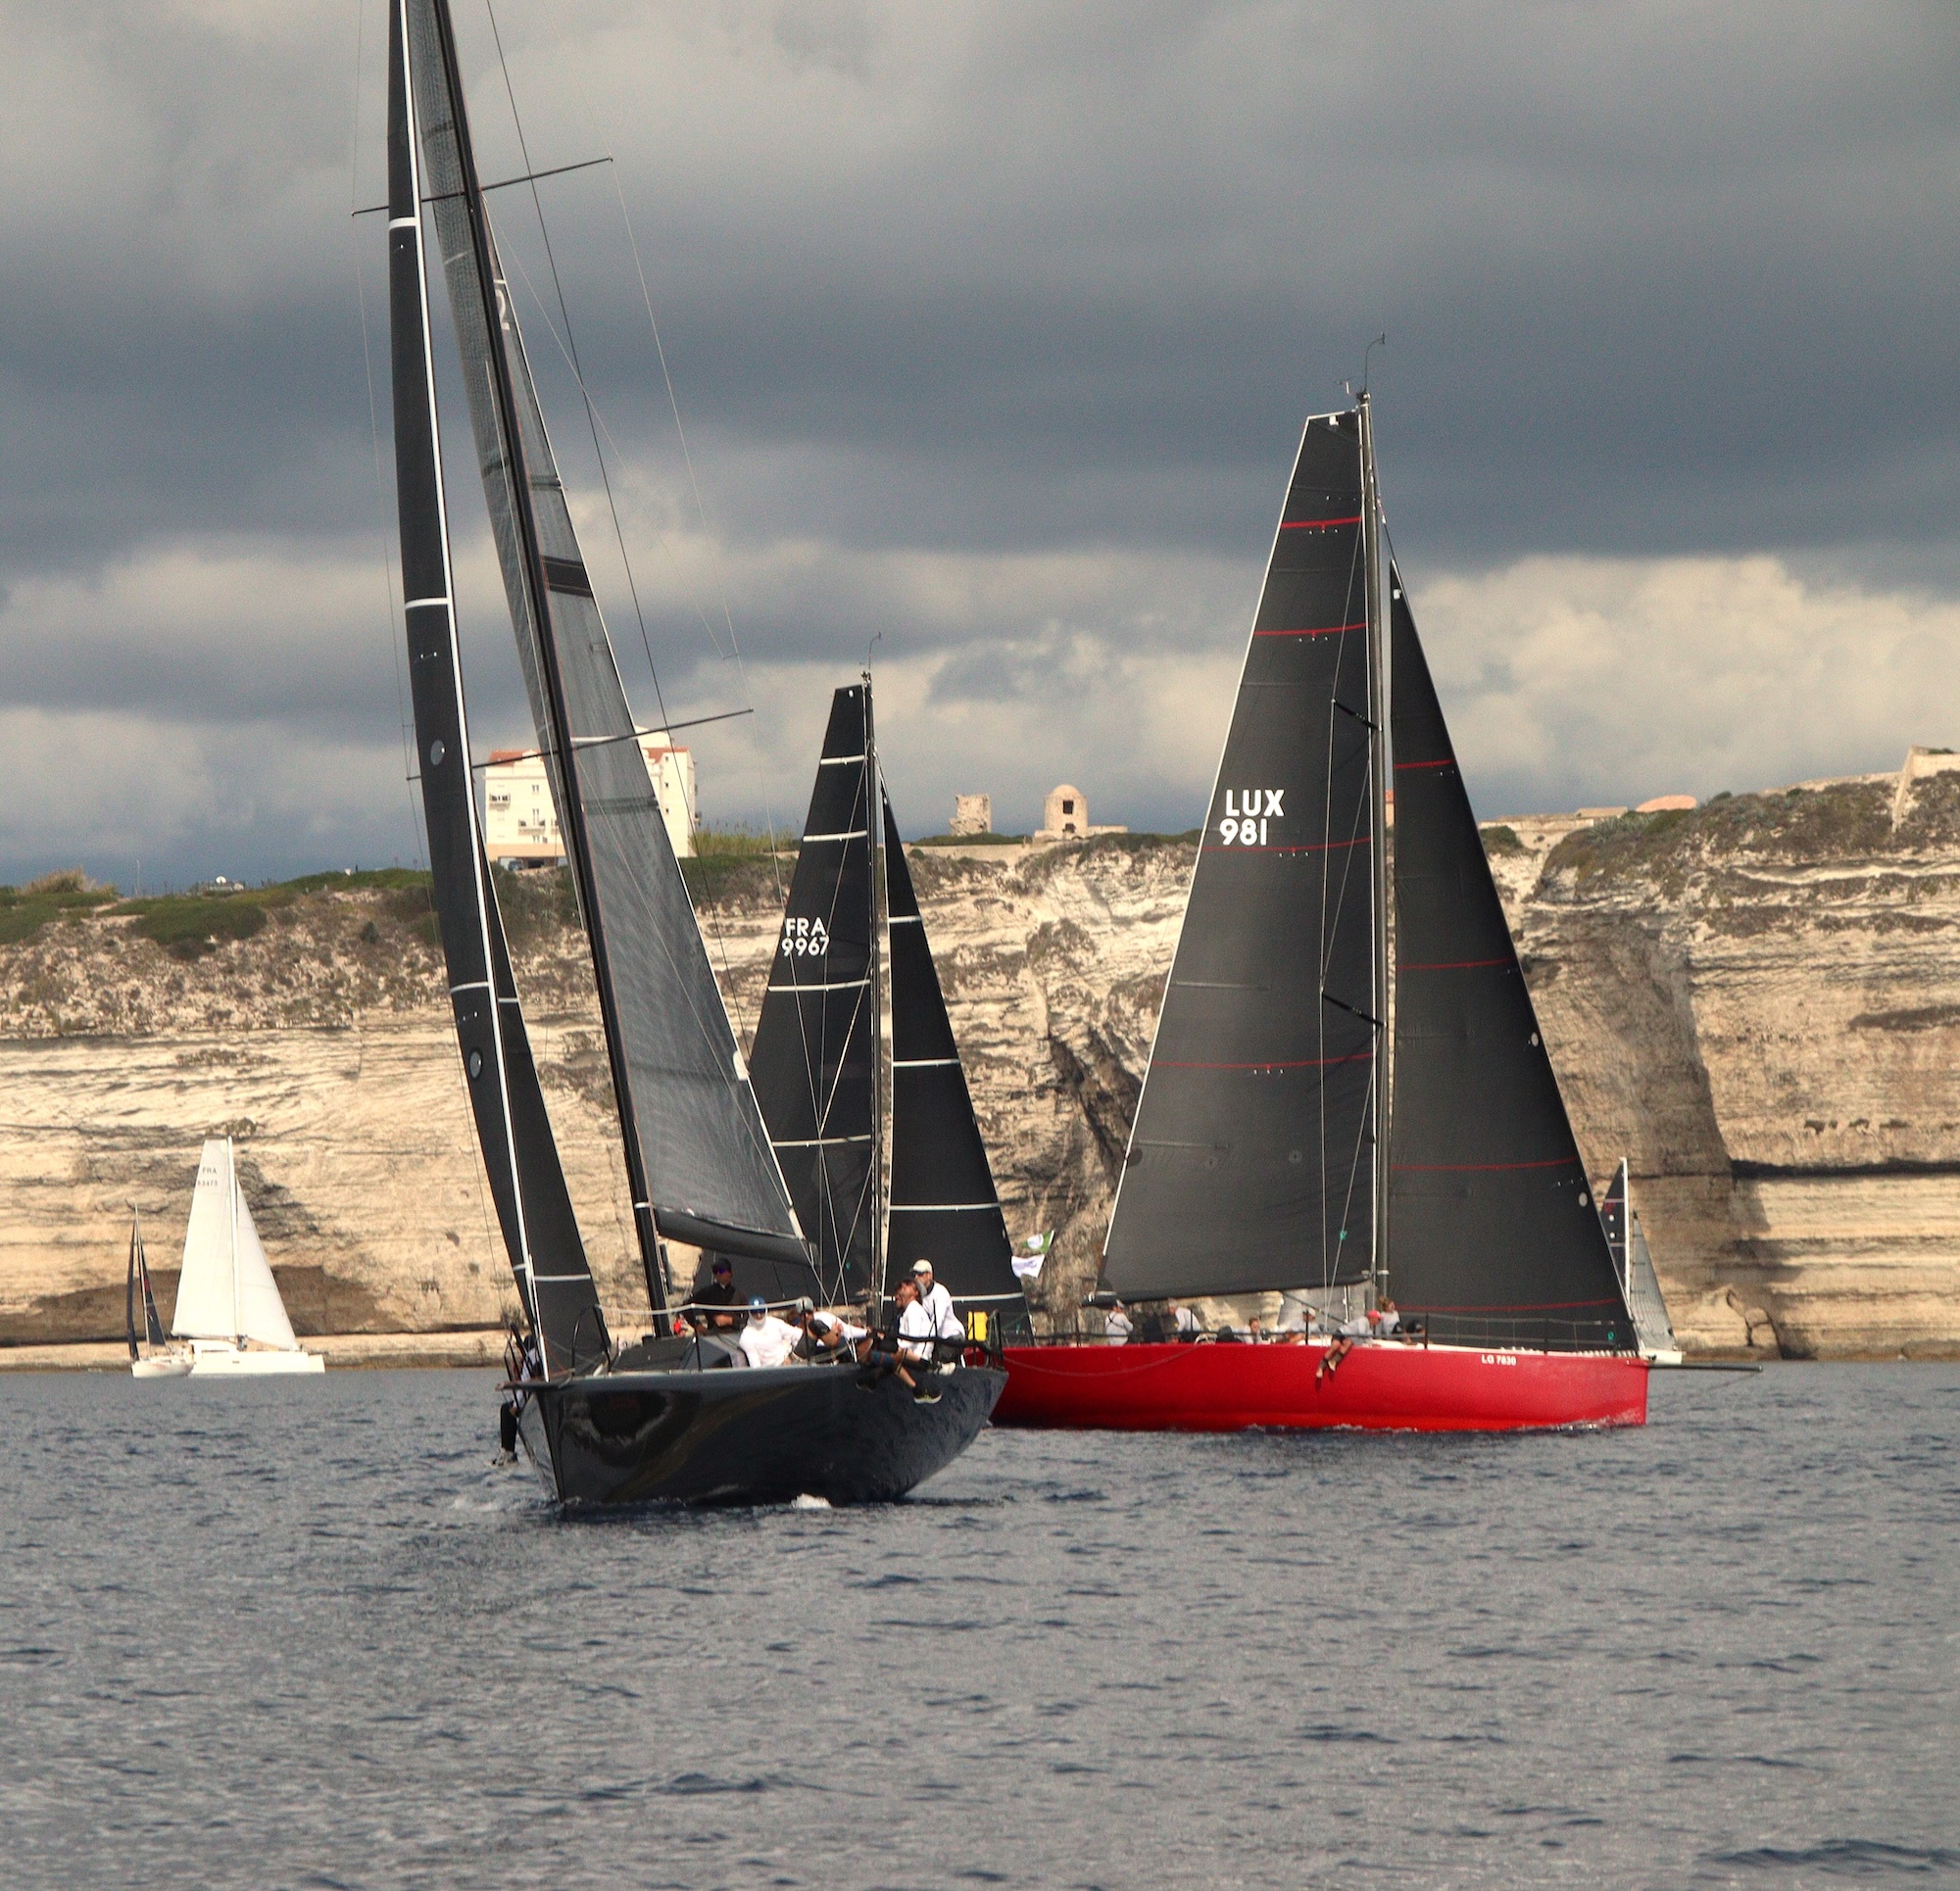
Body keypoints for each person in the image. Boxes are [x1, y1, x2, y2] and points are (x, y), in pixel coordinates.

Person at [909, 1259, 963, 1350]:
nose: (916, 1277)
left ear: (929, 1275)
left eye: (920, 1274)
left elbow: (937, 1323)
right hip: (936, 1339)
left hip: (952, 1336)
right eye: (914, 1274)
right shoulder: (917, 1295)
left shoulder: (940, 1293)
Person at [737, 1295, 802, 1369]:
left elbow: (797, 1334)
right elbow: (755, 1366)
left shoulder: (775, 1323)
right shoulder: (746, 1337)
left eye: (761, 1311)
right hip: (776, 1370)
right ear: (749, 1313)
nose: (758, 1315)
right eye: (754, 1312)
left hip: (792, 1359)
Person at [691, 1256, 743, 1331]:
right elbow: (687, 1307)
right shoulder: (707, 1292)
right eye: (715, 1271)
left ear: (730, 1273)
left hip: (734, 1336)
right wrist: (697, 1325)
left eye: (721, 1271)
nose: (718, 1274)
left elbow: (749, 1318)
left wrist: (730, 1321)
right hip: (714, 1336)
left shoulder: (738, 1293)